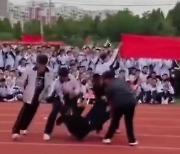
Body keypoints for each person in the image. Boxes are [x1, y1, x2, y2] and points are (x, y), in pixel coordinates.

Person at [12, 54, 54, 140]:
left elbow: (49, 84)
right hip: (30, 93)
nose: (41, 66)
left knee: (32, 112)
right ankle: (15, 130)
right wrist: (24, 90)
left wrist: (47, 95)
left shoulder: (50, 71)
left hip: (40, 95)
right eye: (40, 64)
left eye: (43, 65)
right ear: (37, 63)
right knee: (24, 112)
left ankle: (24, 127)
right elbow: (21, 81)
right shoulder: (30, 70)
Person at [43, 67, 81, 141]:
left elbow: (77, 88)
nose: (64, 78)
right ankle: (47, 132)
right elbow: (61, 96)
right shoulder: (57, 83)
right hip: (59, 97)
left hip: (71, 96)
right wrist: (64, 106)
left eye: (65, 76)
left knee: (74, 113)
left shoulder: (72, 78)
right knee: (54, 112)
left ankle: (73, 130)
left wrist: (74, 93)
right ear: (59, 76)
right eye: (62, 77)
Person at [102, 71, 138, 146]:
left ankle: (108, 138)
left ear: (107, 79)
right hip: (131, 101)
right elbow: (130, 90)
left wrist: (109, 108)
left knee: (115, 121)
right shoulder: (121, 81)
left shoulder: (109, 86)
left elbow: (109, 100)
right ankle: (132, 140)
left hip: (119, 102)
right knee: (129, 122)